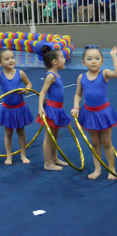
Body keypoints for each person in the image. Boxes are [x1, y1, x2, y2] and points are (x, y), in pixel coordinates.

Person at [71, 45, 117, 180]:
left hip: (104, 113)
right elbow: (78, 95)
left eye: (97, 58)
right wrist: (75, 107)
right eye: (89, 59)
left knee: (107, 143)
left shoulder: (104, 73)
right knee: (95, 143)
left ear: (102, 61)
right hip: (89, 114)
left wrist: (114, 56)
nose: (93, 61)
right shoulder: (81, 77)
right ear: (83, 63)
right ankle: (97, 169)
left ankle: (111, 168)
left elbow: (116, 74)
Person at [37, 43, 70, 171]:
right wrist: (41, 107)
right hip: (51, 109)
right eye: (62, 57)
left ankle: (54, 158)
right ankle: (47, 163)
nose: (64, 59)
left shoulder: (56, 74)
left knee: (54, 136)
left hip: (58, 109)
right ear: (55, 61)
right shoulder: (51, 75)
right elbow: (42, 92)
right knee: (48, 137)